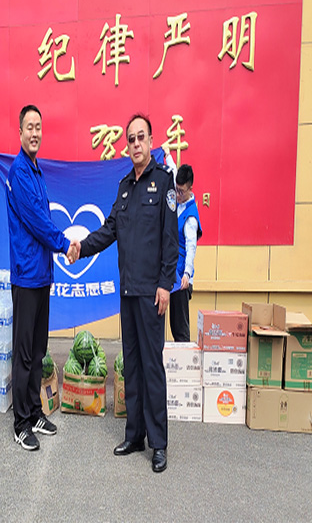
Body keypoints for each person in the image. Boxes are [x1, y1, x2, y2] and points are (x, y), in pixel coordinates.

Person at [69, 114, 178, 473]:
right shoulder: (124, 188)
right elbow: (109, 230)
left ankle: (158, 443)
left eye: (140, 138)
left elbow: (170, 241)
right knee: (131, 365)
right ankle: (135, 435)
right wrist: (80, 247)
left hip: (151, 294)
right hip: (128, 293)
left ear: (151, 141)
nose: (135, 144)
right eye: (130, 139)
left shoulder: (164, 184)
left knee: (151, 367)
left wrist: (166, 284)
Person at [6, 104, 77, 451]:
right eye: (29, 127)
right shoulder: (20, 172)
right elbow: (36, 220)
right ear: (19, 133)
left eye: (38, 127)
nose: (34, 133)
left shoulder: (36, 170)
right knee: (23, 354)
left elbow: (41, 220)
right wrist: (65, 244)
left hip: (42, 275)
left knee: (37, 350)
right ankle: (21, 423)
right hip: (25, 277)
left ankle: (34, 412)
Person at [169, 164, 202, 342]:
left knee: (180, 327)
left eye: (181, 191)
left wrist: (187, 274)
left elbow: (191, 247)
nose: (178, 195)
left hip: (181, 278)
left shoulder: (190, 217)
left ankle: (185, 364)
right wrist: (166, 155)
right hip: (170, 271)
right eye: (176, 189)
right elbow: (173, 169)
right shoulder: (178, 197)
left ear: (190, 188)